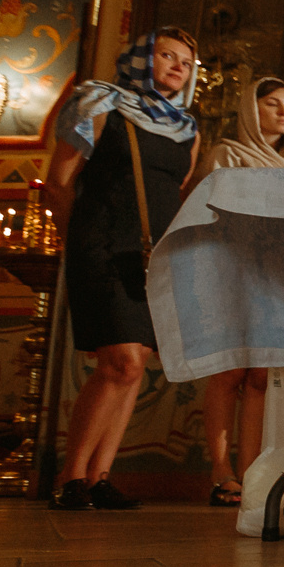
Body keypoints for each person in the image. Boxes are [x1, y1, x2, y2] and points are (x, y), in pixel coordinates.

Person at [43, 29, 202, 510]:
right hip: (103, 244)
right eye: (166, 55)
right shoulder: (99, 104)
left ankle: (99, 476)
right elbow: (58, 182)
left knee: (137, 365)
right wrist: (78, 241)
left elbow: (174, 192)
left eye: (186, 62)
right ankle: (71, 477)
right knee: (122, 361)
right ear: (139, 58)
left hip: (154, 255)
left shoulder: (186, 129)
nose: (178, 66)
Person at [190, 76, 284, 505]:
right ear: (251, 110)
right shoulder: (227, 154)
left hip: (277, 276)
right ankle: (221, 471)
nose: (283, 112)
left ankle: (251, 472)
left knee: (260, 376)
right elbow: (206, 214)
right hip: (231, 269)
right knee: (228, 372)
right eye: (273, 103)